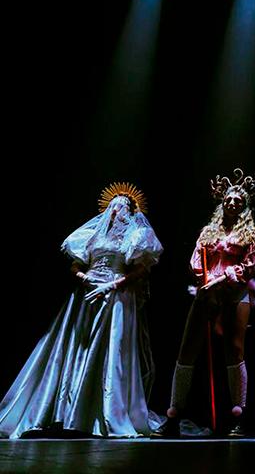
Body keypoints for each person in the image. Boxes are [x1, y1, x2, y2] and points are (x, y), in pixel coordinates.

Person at [0, 183, 163, 438]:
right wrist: (84, 278)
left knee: (110, 350)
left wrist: (112, 285)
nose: (115, 210)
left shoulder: (136, 237)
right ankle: (65, 412)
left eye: (121, 207)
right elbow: (76, 265)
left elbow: (141, 269)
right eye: (113, 206)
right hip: (86, 294)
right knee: (76, 347)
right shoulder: (93, 235)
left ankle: (102, 413)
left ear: (130, 212)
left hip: (114, 293)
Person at [153, 168, 255, 438]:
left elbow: (248, 266)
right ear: (222, 202)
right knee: (187, 348)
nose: (233, 203)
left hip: (234, 293)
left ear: (244, 206)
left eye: (238, 200)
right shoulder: (208, 231)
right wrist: (204, 279)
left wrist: (223, 278)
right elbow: (196, 259)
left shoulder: (250, 233)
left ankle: (238, 417)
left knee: (234, 351)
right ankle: (173, 416)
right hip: (206, 292)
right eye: (229, 199)